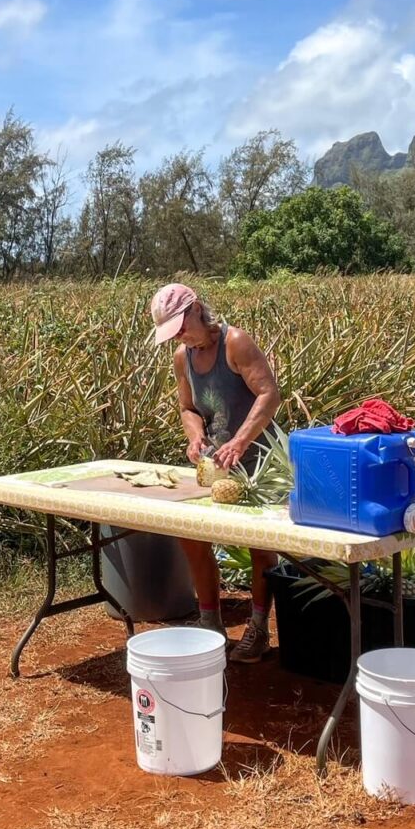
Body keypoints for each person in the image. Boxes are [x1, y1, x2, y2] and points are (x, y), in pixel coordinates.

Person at [150, 282, 281, 663]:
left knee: (260, 545)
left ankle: (258, 628)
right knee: (192, 536)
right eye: (175, 335)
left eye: (182, 327)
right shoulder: (182, 357)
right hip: (218, 466)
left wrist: (239, 441)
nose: (183, 338)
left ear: (196, 311)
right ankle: (210, 622)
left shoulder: (235, 342)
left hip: (259, 462)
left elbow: (269, 393)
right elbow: (188, 408)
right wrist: (195, 438)